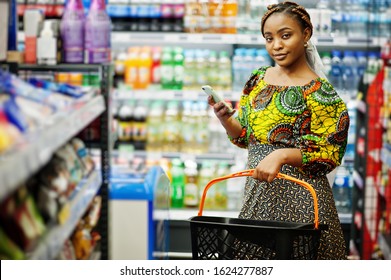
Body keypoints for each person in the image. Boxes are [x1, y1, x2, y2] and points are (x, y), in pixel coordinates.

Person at [208, 1, 349, 260]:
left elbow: (329, 154)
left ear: (306, 34)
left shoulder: (322, 94)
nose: (277, 45)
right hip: (258, 197)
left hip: (303, 205)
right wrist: (226, 119)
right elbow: (244, 136)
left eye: (286, 35)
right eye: (269, 38)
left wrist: (283, 155)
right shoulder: (259, 80)